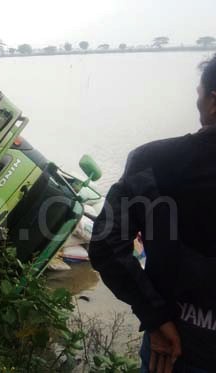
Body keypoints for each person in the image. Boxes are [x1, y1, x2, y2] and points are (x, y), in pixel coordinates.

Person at [89, 54, 216, 373]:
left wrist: (156, 316)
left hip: (179, 342)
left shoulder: (152, 161)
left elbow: (107, 245)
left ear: (212, 101)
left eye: (199, 93)